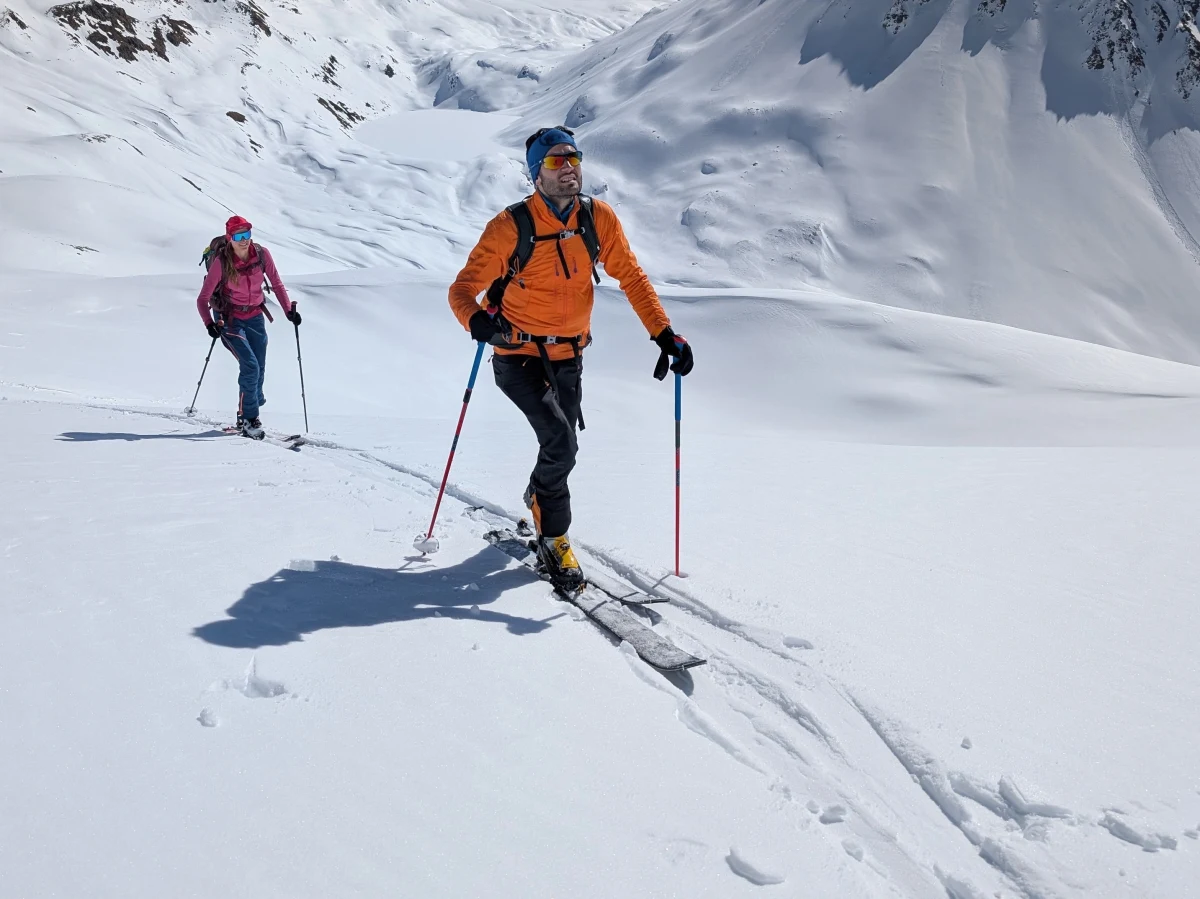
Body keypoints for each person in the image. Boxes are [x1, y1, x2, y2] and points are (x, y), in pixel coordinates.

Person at [448, 126, 695, 591]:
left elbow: (632, 277)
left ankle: (541, 495)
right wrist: (475, 320)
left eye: (574, 158)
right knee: (561, 442)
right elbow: (462, 289)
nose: (569, 168)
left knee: (560, 449)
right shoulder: (510, 227)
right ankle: (554, 540)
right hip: (517, 354)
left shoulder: (597, 219)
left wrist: (664, 334)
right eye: (557, 161)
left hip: (570, 355)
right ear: (536, 173)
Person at [196, 216, 301, 438]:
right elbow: (202, 298)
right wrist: (209, 324)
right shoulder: (221, 263)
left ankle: (249, 405)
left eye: (247, 234)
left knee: (258, 370)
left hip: (255, 319)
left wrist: (288, 311)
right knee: (251, 366)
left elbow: (277, 283)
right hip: (230, 320)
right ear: (230, 238)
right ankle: (249, 420)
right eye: (238, 236)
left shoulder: (262, 255)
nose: (244, 240)